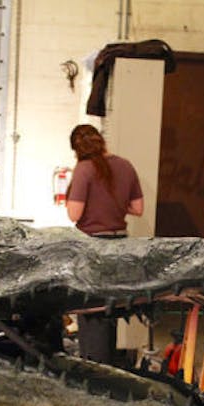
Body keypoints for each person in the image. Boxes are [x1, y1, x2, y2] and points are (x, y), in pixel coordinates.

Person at [65, 124, 143, 363]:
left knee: (90, 311)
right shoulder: (126, 165)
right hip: (120, 245)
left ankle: (92, 368)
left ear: (77, 149)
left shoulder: (84, 169)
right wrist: (114, 204)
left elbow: (74, 214)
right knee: (110, 309)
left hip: (93, 246)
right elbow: (137, 209)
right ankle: (108, 365)